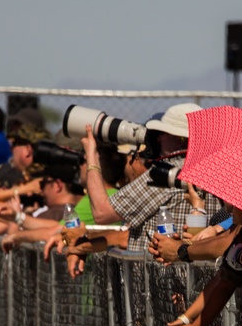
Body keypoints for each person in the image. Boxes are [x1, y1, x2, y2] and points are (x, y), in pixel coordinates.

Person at [81, 103, 220, 252]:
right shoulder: (214, 169)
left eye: (164, 134)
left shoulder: (167, 173)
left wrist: (92, 155)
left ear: (182, 140)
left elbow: (102, 213)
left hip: (161, 271)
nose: (158, 139)